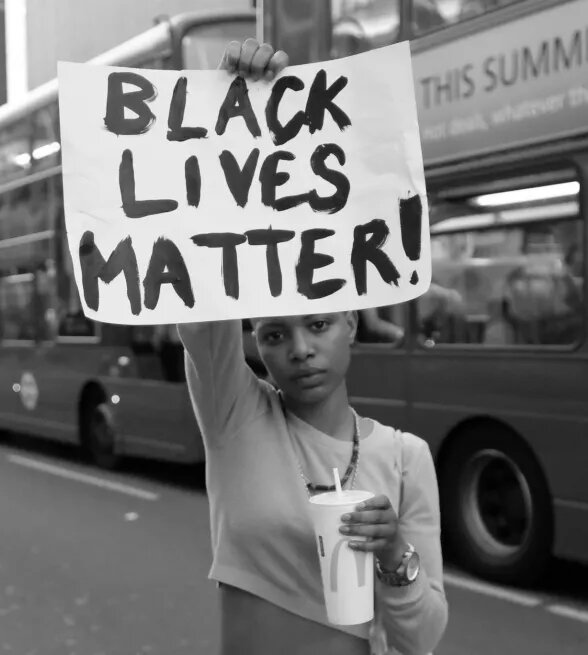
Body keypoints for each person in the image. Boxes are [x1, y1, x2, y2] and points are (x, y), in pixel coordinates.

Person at [177, 40, 448, 655]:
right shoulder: (233, 416)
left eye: (318, 325)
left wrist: (392, 551)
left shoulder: (406, 460)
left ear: (352, 322)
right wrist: (234, 108)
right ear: (257, 346)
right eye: (274, 335)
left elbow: (422, 639)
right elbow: (199, 308)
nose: (299, 349)